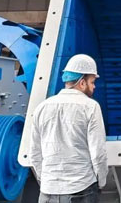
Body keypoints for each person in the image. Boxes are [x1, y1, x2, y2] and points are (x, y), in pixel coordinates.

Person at [30, 54, 108, 203]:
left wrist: (47, 180)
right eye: (92, 82)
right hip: (81, 190)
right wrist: (101, 181)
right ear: (82, 83)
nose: (94, 87)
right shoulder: (90, 107)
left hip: (47, 193)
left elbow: (35, 153)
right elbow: (98, 153)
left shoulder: (42, 107)